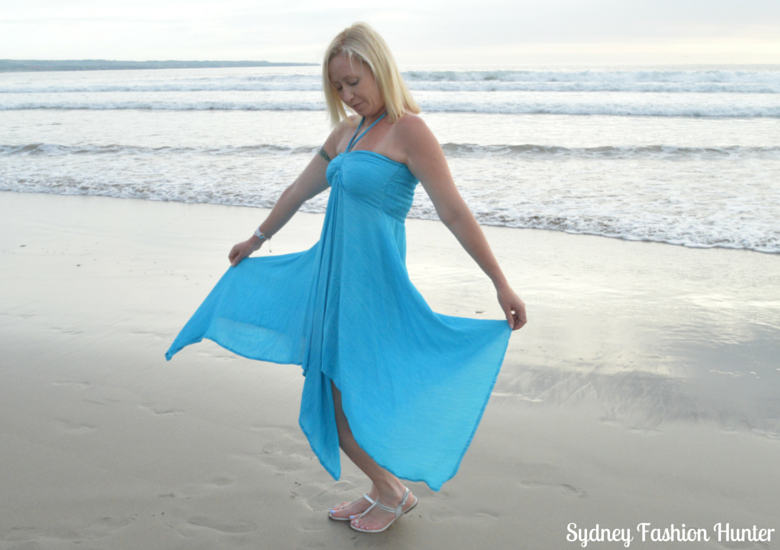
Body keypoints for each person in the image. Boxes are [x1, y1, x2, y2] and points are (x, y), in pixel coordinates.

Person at [166, 22, 526, 534]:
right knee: (333, 392)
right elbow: (297, 190)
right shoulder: (346, 134)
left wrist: (500, 282)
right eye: (338, 86)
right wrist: (257, 237)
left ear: (380, 71)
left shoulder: (410, 131)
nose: (347, 95)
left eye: (354, 82)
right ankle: (384, 488)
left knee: (345, 399)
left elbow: (455, 213)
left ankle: (391, 491)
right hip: (333, 279)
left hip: (373, 286)